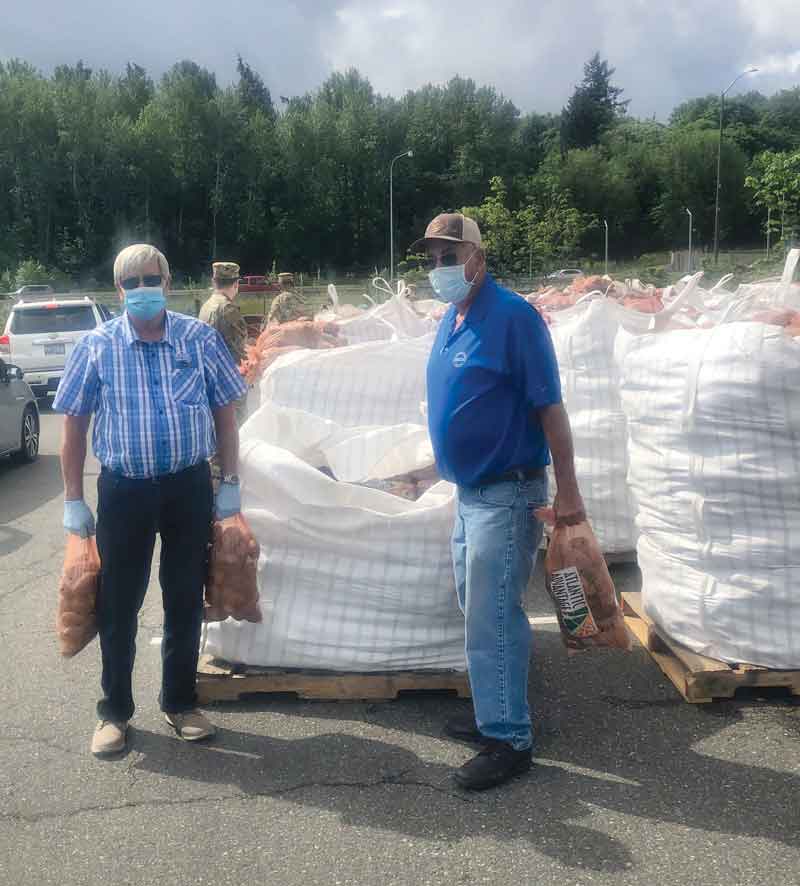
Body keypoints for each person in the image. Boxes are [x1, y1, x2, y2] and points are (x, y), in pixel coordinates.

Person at [53, 243, 247, 758]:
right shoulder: (96, 346)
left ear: (167, 280)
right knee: (118, 605)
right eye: (131, 282)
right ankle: (114, 712)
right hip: (124, 492)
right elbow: (73, 429)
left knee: (184, 597)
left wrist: (229, 482)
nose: (143, 289)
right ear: (118, 290)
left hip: (187, 487)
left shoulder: (199, 338)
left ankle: (180, 703)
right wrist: (73, 500)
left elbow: (226, 413)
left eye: (151, 278)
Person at [415, 213, 585, 791]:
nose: (440, 268)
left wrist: (570, 491)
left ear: (478, 258)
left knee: (493, 616)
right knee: (477, 609)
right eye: (433, 259)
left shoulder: (513, 318)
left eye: (449, 256)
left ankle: (510, 738)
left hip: (508, 493)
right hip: (470, 494)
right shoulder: (453, 318)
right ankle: (494, 709)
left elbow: (551, 410)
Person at [199, 261, 248, 426]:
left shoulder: (206, 306)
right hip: (228, 385)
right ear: (236, 284)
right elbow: (240, 353)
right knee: (238, 431)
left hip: (209, 380)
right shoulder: (229, 309)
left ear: (214, 282)